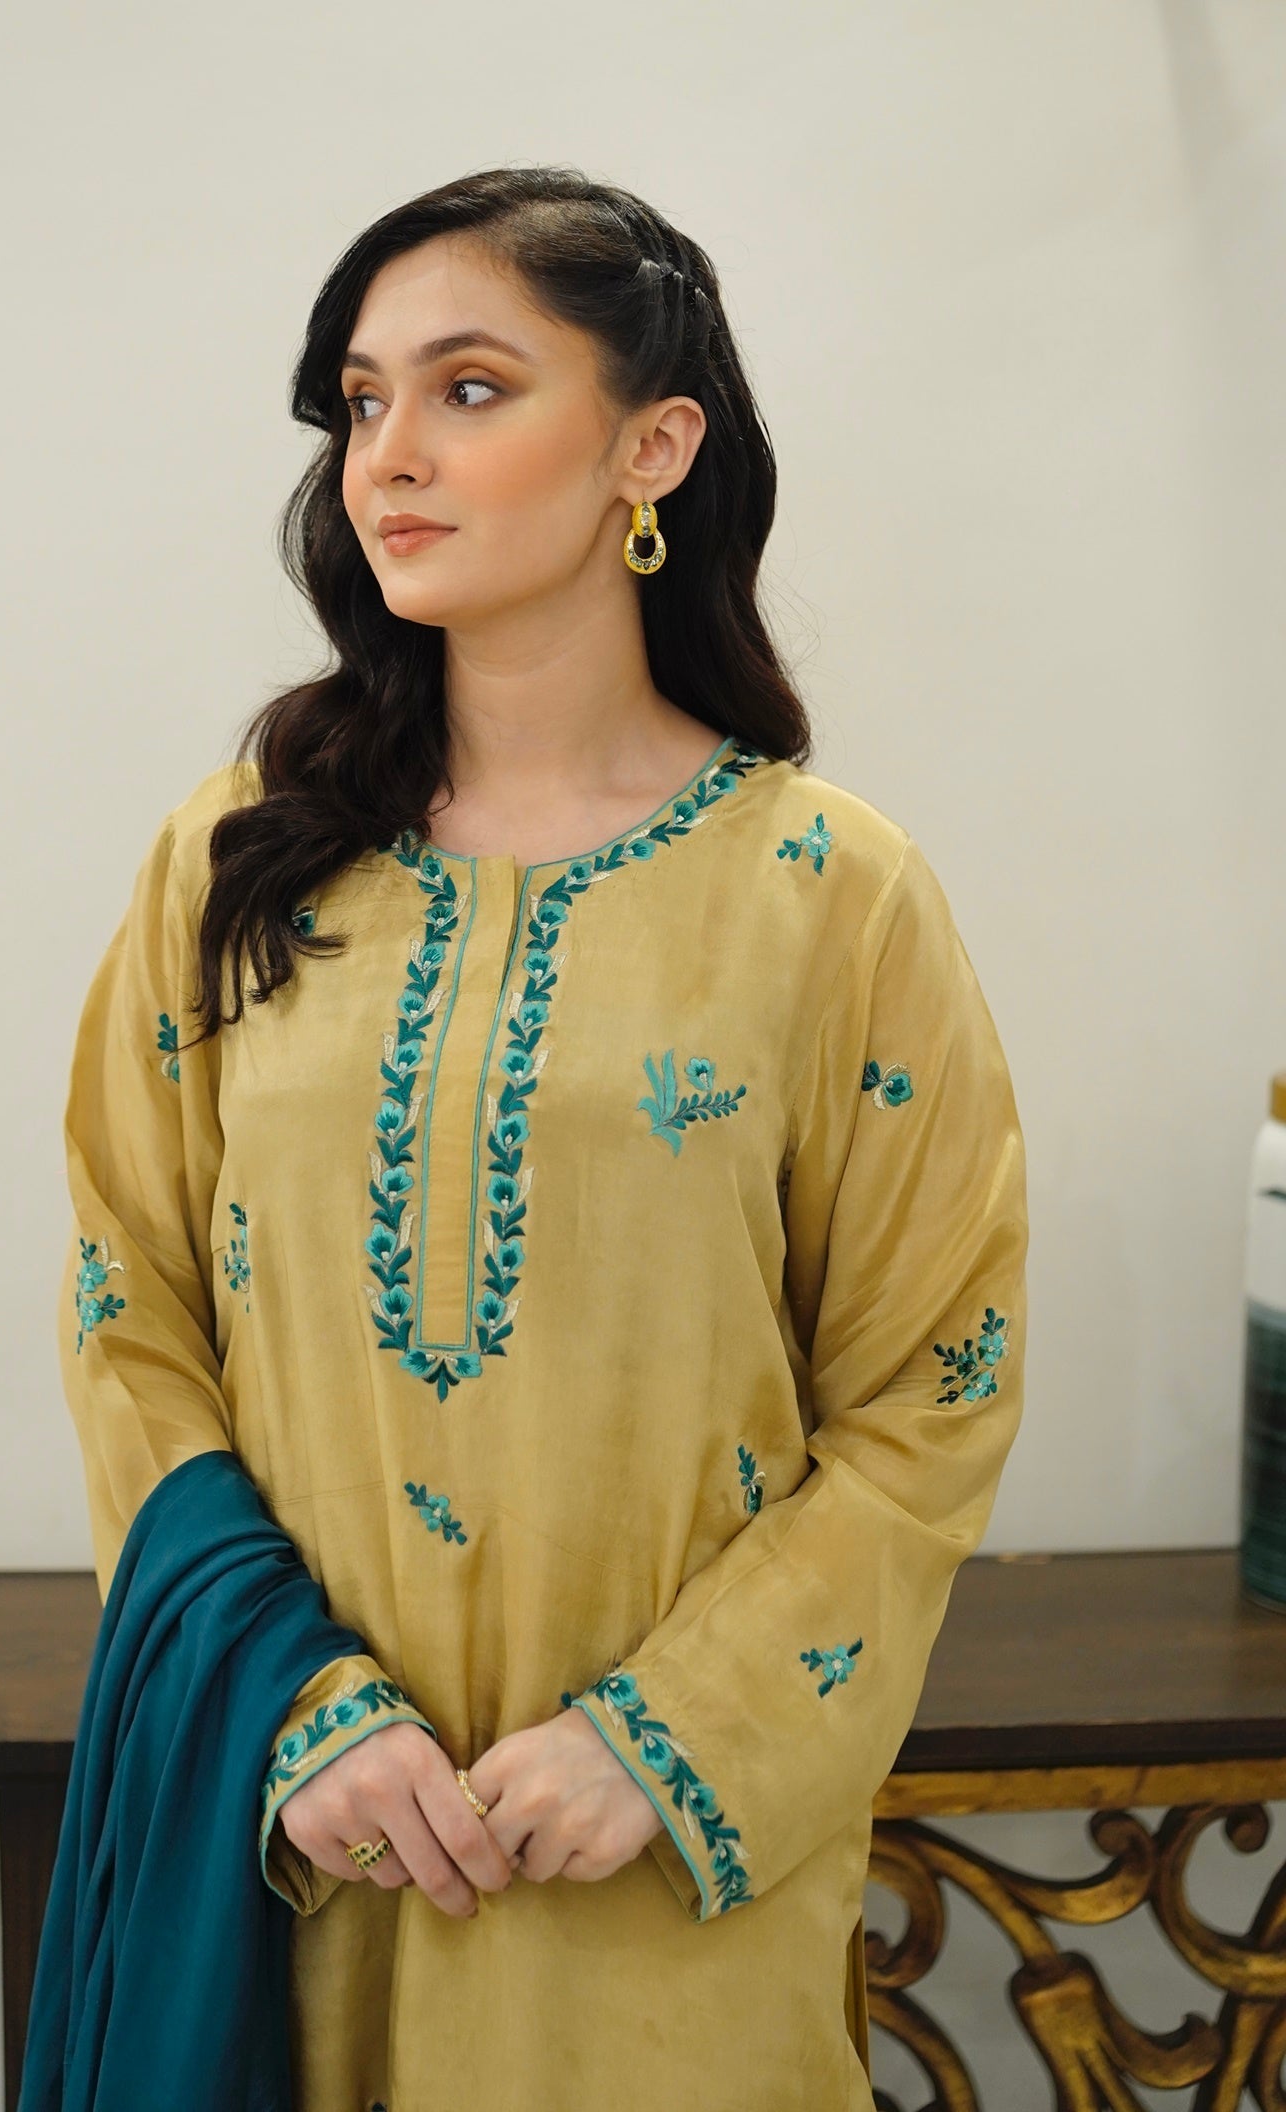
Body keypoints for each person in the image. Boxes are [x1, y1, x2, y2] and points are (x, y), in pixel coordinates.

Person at [53, 164, 1028, 2112]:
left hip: (660, 1877)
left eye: (470, 389)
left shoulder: (827, 896)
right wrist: (296, 1712)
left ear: (651, 448)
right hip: (308, 1841)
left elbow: (932, 1389)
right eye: (361, 402)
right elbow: (125, 1306)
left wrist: (671, 1738)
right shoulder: (234, 859)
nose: (388, 456)